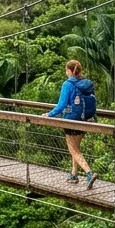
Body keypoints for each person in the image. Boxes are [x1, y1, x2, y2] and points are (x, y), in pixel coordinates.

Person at [45, 59, 97, 187]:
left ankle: (89, 173)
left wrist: (49, 115)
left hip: (72, 120)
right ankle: (74, 174)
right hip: (85, 120)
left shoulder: (67, 84)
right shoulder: (86, 84)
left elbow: (61, 105)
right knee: (76, 148)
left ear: (69, 70)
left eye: (66, 70)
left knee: (73, 149)